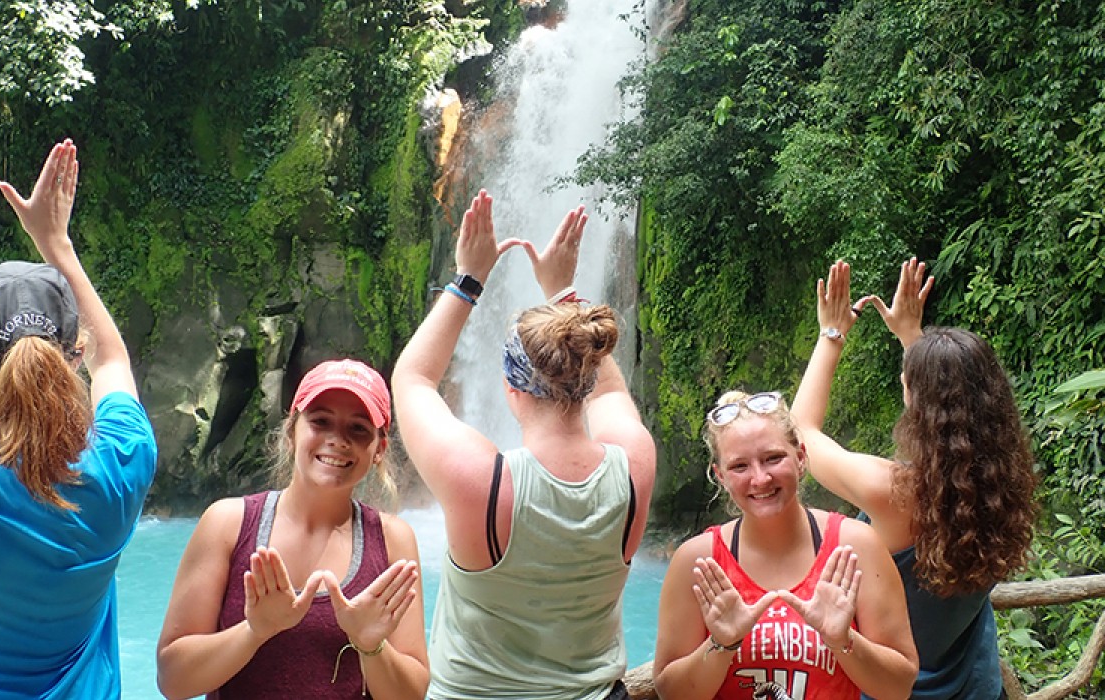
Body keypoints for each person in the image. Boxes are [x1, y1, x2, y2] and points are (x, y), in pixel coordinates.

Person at [0, 130, 157, 697]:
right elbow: (114, 358)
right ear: (75, 353)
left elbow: (107, 358)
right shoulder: (120, 468)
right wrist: (56, 243)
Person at [391, 189, 658, 700]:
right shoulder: (633, 465)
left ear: (511, 389)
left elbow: (412, 379)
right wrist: (562, 291)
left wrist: (469, 279)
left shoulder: (480, 483)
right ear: (587, 376)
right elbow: (613, 390)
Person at [791, 259, 1038, 699]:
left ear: (913, 395)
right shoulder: (1005, 484)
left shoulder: (891, 492)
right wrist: (912, 336)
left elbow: (800, 433)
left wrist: (832, 333)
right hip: (974, 688)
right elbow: (952, 405)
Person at [157, 358, 428, 699]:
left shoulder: (392, 540)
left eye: (358, 428)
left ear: (379, 449)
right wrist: (255, 631)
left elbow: (412, 694)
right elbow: (173, 680)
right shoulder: (227, 524)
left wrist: (371, 645)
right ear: (291, 432)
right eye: (320, 422)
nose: (337, 440)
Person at [653, 390, 918, 700]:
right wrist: (722, 645)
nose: (760, 478)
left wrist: (843, 641)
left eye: (773, 458)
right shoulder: (698, 562)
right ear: (720, 476)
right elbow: (671, 692)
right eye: (740, 466)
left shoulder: (855, 547)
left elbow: (899, 687)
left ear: (801, 457)